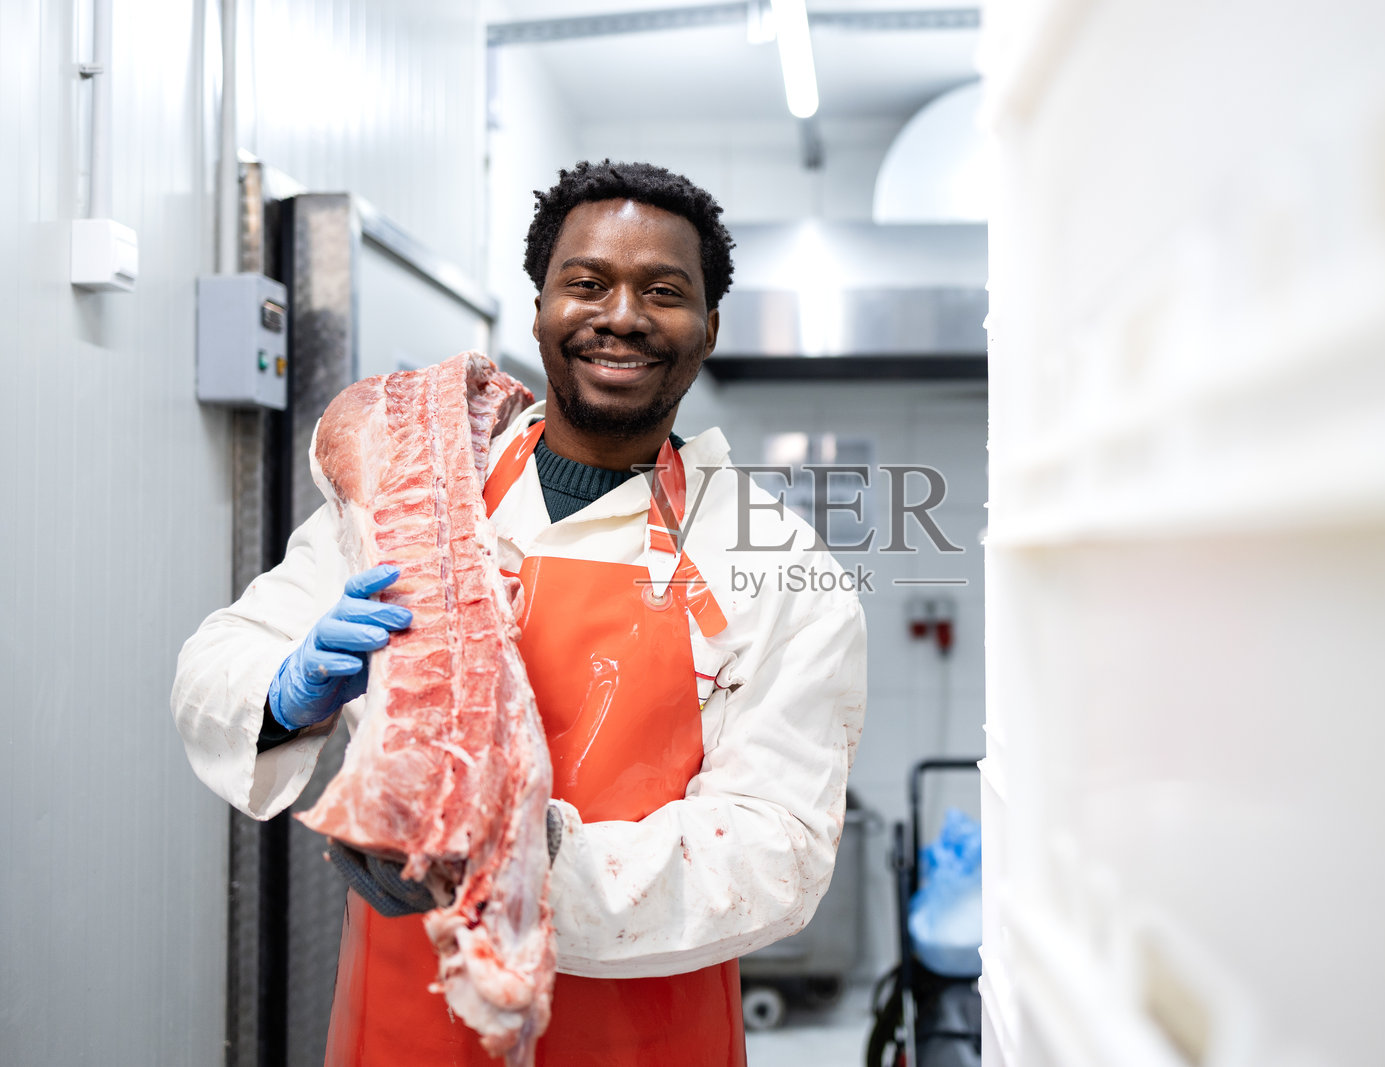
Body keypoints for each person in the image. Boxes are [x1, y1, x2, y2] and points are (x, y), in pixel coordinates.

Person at [172, 160, 867, 1066]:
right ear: (539, 309)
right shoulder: (418, 498)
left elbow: (780, 851)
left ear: (709, 328)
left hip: (646, 1038)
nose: (622, 315)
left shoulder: (777, 563)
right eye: (588, 283)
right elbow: (219, 660)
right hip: (403, 1023)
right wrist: (284, 690)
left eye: (663, 291)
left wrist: (515, 853)